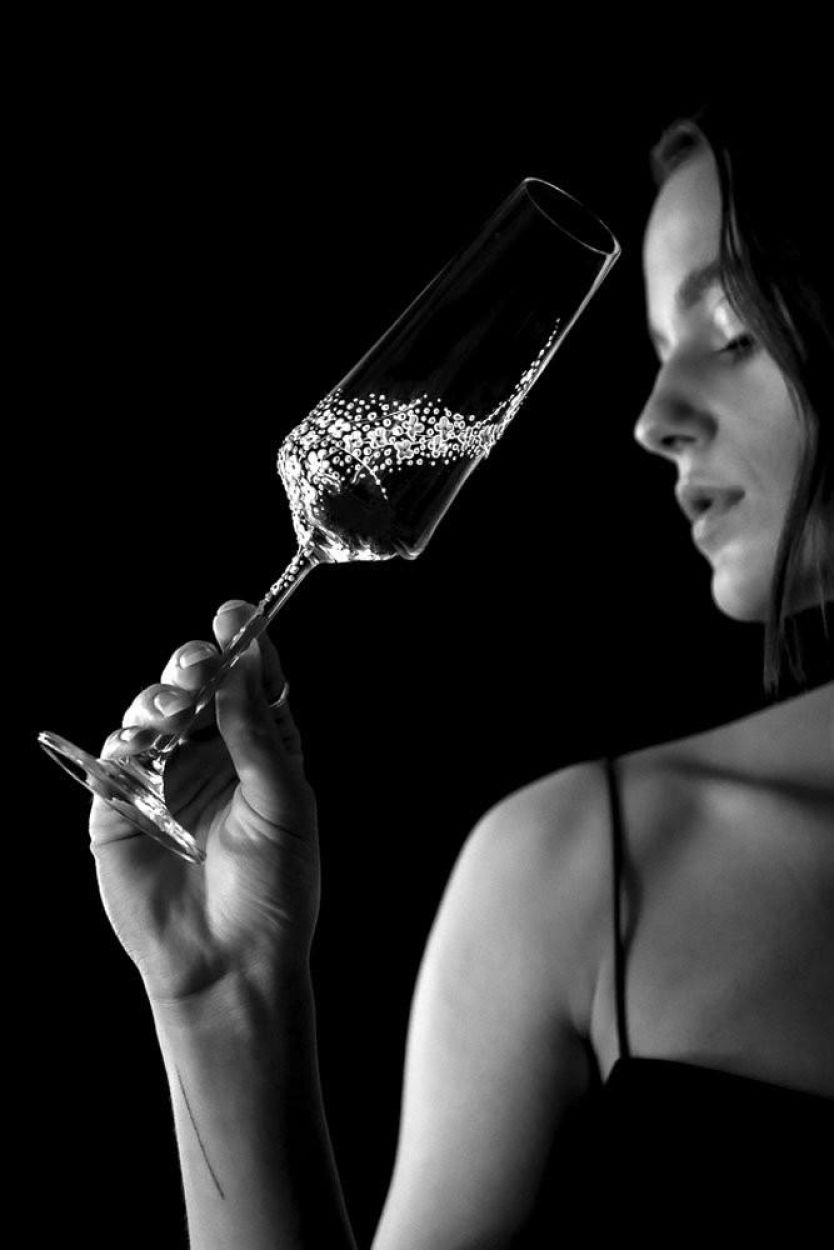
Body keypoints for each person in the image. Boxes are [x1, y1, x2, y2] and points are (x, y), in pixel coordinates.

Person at [88, 95, 833, 1248]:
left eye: (733, 330)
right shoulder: (583, 873)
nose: (653, 417)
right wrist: (223, 990)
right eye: (656, 351)